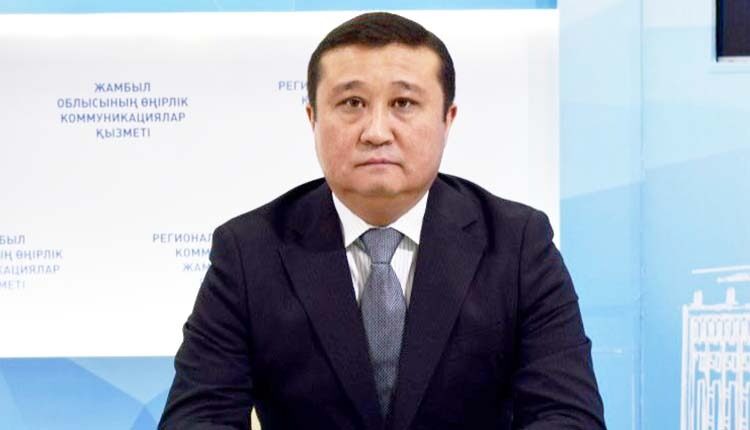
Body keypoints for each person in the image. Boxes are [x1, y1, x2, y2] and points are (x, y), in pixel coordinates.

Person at [159, 12, 606, 430]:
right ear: (313, 118)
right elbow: (198, 417)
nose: (376, 131)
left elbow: (567, 416)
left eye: (403, 103)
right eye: (352, 102)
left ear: (447, 119)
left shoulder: (517, 244)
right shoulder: (249, 251)